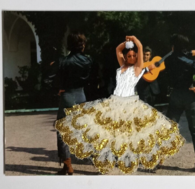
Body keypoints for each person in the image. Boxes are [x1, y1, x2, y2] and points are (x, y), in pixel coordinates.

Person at [55, 35, 185, 175]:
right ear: (125, 57)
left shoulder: (138, 69)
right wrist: (126, 42)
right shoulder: (122, 66)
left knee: (134, 133)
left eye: (135, 56)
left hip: (130, 104)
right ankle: (106, 164)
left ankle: (138, 160)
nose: (133, 57)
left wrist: (135, 40)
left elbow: (140, 48)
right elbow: (118, 49)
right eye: (130, 55)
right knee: (110, 134)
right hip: (115, 103)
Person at [164, 34, 195, 172]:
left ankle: (157, 158)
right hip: (190, 95)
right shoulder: (191, 62)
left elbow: (177, 56)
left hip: (175, 95)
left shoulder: (168, 60)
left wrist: (188, 52)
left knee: (169, 128)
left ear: (173, 46)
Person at [55, 31, 93, 175]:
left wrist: (58, 89)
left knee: (62, 130)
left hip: (67, 96)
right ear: (82, 45)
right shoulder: (88, 60)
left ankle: (67, 164)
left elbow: (49, 78)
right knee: (84, 129)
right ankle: (98, 157)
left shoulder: (62, 61)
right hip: (81, 95)